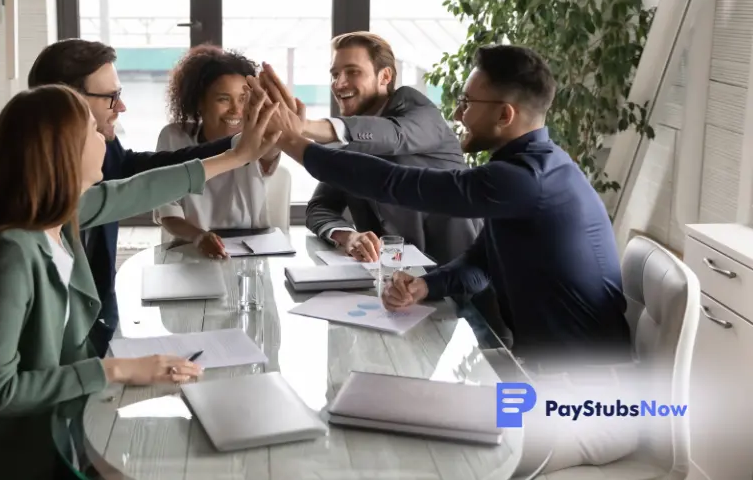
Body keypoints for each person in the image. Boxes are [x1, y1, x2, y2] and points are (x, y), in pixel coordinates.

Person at [0, 84, 281, 479]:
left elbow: (140, 189)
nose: (105, 138)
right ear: (64, 150)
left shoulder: (59, 214)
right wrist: (115, 370)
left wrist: (238, 155)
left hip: (43, 434)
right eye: (93, 131)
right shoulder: (11, 252)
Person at [259, 44, 631, 365]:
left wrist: (295, 140)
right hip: (545, 372)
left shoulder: (524, 179)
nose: (456, 114)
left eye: (467, 103)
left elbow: (398, 184)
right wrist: (425, 287)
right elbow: (480, 262)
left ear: (505, 115)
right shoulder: (537, 167)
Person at [0, 39, 238, 339]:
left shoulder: (102, 151)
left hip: (100, 326)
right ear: (65, 102)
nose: (121, 107)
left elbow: (152, 174)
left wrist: (237, 147)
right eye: (112, 96)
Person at [259, 31, 479, 266]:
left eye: (352, 72)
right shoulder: (347, 140)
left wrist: (303, 127)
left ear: (385, 76)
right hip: (390, 281)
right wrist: (347, 235)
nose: (339, 83)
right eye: (335, 74)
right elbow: (319, 207)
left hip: (460, 278)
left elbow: (394, 135)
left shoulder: (418, 110)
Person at [153, 45, 281, 258]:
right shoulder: (173, 137)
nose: (236, 110)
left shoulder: (256, 137)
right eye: (223, 99)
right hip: (191, 249)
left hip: (251, 251)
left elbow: (271, 151)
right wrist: (200, 237)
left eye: (243, 99)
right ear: (199, 102)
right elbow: (168, 212)